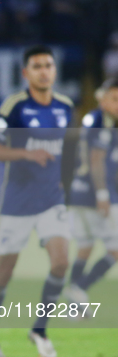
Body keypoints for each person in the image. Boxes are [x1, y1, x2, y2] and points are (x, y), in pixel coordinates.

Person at [0, 45, 74, 357]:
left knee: (61, 262)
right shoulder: (14, 106)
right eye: (37, 66)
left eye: (48, 65)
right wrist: (25, 153)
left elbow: (65, 151)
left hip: (52, 200)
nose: (44, 71)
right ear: (26, 73)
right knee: (4, 272)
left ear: (55, 70)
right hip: (17, 202)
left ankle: (40, 329)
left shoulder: (65, 107)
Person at [65, 77, 118, 305]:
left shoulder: (89, 119)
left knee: (85, 246)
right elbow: (96, 160)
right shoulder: (103, 121)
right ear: (101, 98)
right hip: (95, 194)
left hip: (78, 192)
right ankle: (79, 289)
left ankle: (73, 306)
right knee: (115, 250)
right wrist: (103, 194)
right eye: (114, 99)